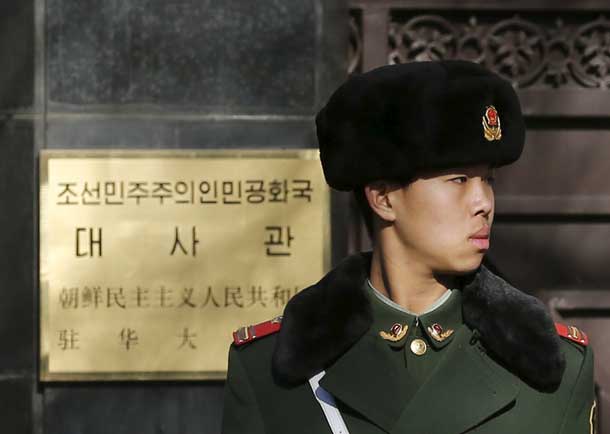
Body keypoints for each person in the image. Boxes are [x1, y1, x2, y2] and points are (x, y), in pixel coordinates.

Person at [221, 60, 596, 434]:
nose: (483, 201)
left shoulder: (552, 367)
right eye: (459, 179)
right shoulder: (270, 372)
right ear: (383, 198)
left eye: (488, 179)